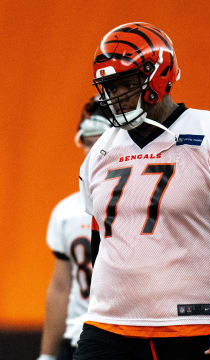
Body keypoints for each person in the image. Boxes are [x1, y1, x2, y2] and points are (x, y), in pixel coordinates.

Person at [74, 22, 210, 360]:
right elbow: (102, 241)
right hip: (108, 328)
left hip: (195, 326)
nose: (116, 95)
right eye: (109, 86)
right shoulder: (101, 151)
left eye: (125, 83)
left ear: (157, 75)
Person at [37, 97, 111, 360]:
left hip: (129, 334)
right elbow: (60, 286)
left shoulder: (140, 202)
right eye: (88, 143)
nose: (92, 153)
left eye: (100, 142)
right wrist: (47, 355)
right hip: (80, 338)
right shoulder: (66, 212)